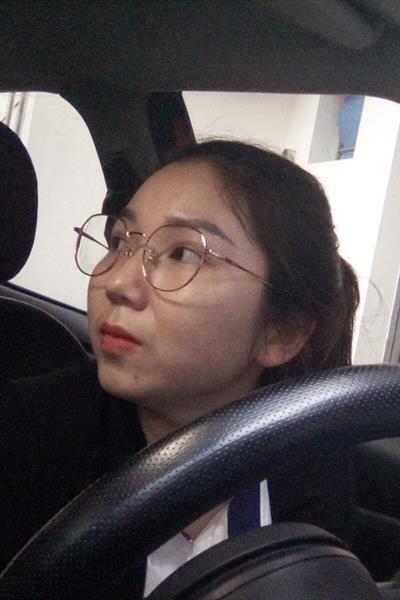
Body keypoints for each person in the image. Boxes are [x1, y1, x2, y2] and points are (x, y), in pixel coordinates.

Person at [0, 140, 359, 596]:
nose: (116, 281)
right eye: (119, 242)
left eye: (183, 254)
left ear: (283, 332)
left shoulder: (315, 459)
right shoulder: (23, 437)